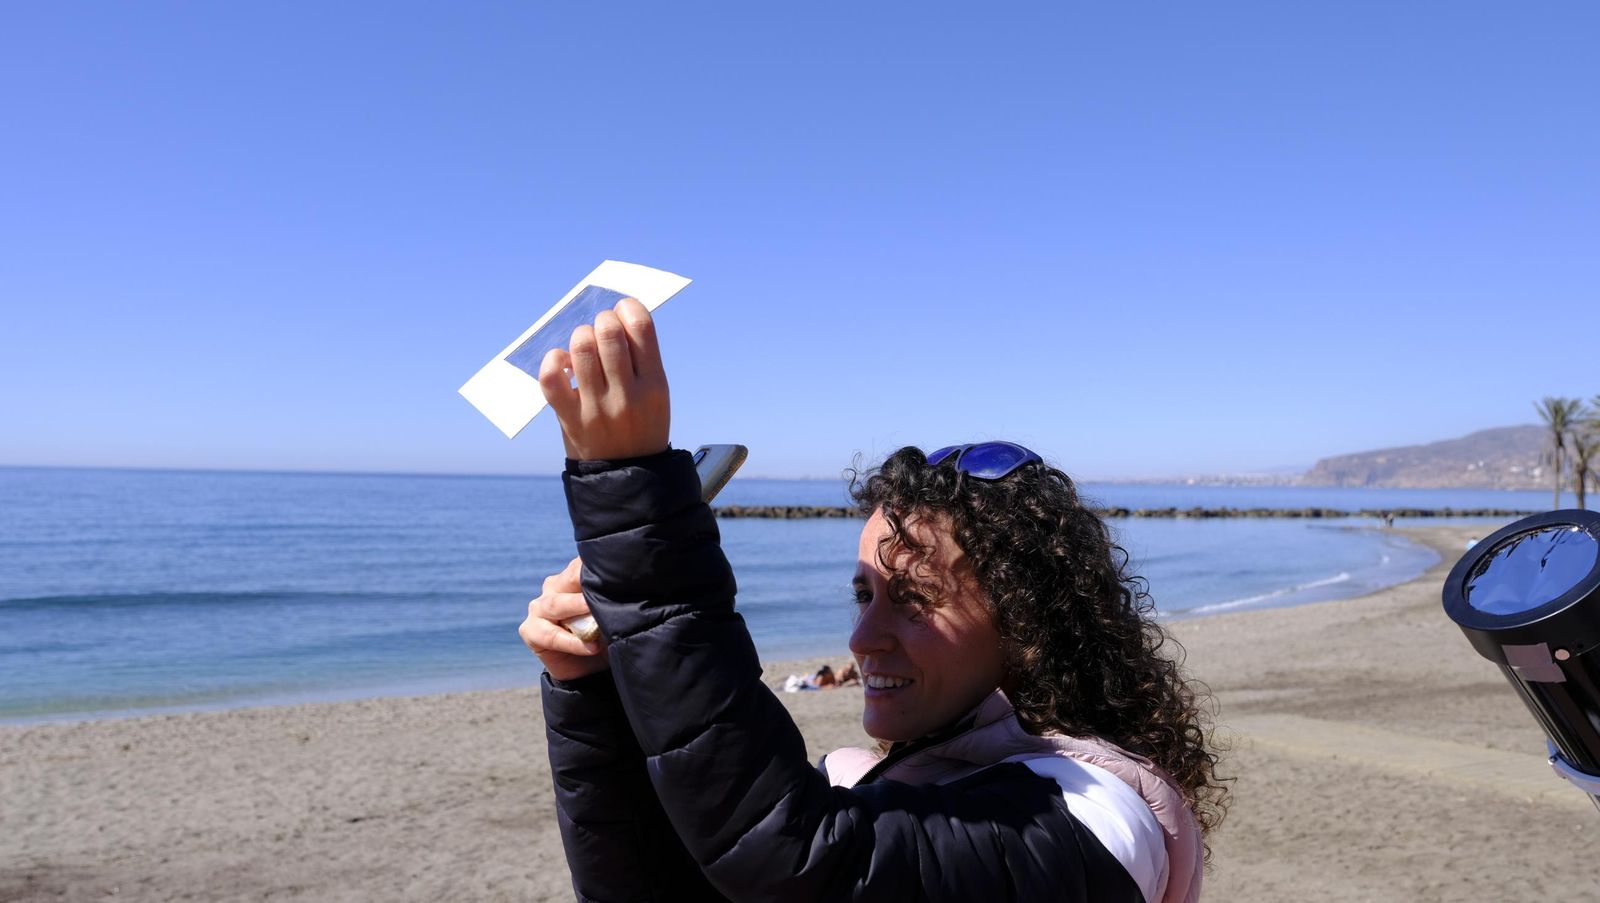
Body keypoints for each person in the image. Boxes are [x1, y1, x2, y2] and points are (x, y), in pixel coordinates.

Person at [518, 298, 1228, 901]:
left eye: (915, 598)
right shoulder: (869, 782)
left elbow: (806, 867)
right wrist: (593, 698)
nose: (862, 640)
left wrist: (635, 499)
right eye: (864, 595)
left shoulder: (1099, 820)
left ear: (1027, 622)